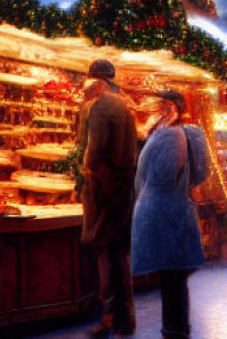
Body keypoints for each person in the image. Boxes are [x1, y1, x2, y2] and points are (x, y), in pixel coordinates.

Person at [131, 90, 209, 339]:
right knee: (172, 276)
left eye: (162, 104)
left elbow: (163, 175)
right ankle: (174, 328)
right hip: (167, 211)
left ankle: (175, 329)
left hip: (166, 213)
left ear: (171, 107)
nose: (156, 109)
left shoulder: (171, 136)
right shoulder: (165, 133)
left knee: (172, 276)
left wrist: (150, 192)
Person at [78, 59, 138, 338]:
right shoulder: (124, 104)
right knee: (119, 256)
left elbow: (95, 148)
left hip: (104, 190)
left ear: (97, 80)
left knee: (106, 255)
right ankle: (124, 320)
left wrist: (85, 169)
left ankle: (109, 317)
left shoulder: (102, 105)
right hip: (122, 190)